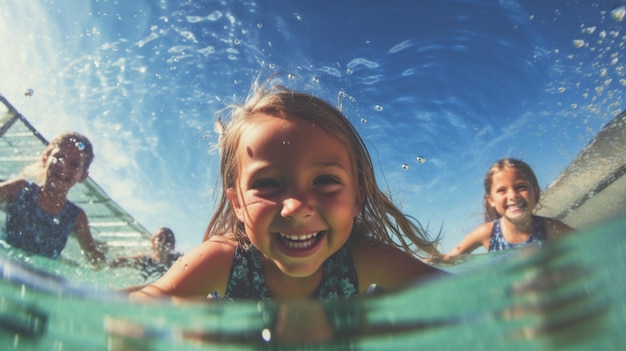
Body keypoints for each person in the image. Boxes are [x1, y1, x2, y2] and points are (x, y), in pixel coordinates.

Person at [131, 81, 445, 302]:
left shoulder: (367, 259)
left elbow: (468, 298)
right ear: (237, 204)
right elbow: (142, 307)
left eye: (325, 180)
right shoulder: (221, 261)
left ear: (357, 199)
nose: (295, 207)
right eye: (267, 184)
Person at [0, 132, 106, 268]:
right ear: (45, 159)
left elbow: (95, 261)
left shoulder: (76, 217)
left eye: (74, 164)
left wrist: (120, 262)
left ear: (83, 175)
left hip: (42, 278)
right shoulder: (20, 189)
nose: (63, 167)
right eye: (59, 157)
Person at [443, 158, 573, 260]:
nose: (513, 196)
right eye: (501, 190)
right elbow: (449, 259)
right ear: (491, 200)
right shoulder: (487, 233)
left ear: (536, 191)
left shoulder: (551, 228)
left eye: (521, 187)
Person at [110, 227, 182, 281]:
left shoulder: (177, 261)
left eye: (168, 240)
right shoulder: (145, 260)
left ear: (173, 246)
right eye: (160, 238)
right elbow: (121, 261)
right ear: (153, 243)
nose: (163, 242)